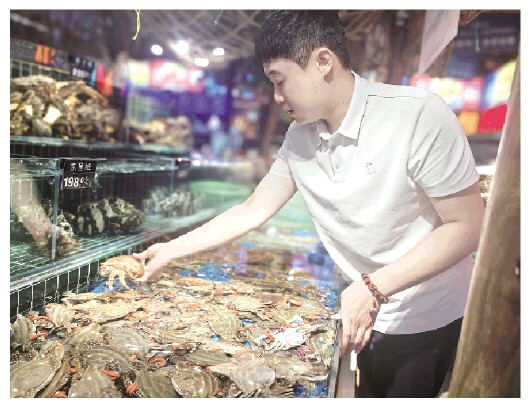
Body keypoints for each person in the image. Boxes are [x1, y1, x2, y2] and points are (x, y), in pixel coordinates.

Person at [133, 10, 485, 397]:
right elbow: (253, 209)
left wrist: (372, 287)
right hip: (360, 301)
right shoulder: (300, 136)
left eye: (279, 80)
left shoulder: (417, 115)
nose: (276, 96)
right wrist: (171, 249)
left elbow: (466, 226)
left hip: (425, 313)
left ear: (323, 62)